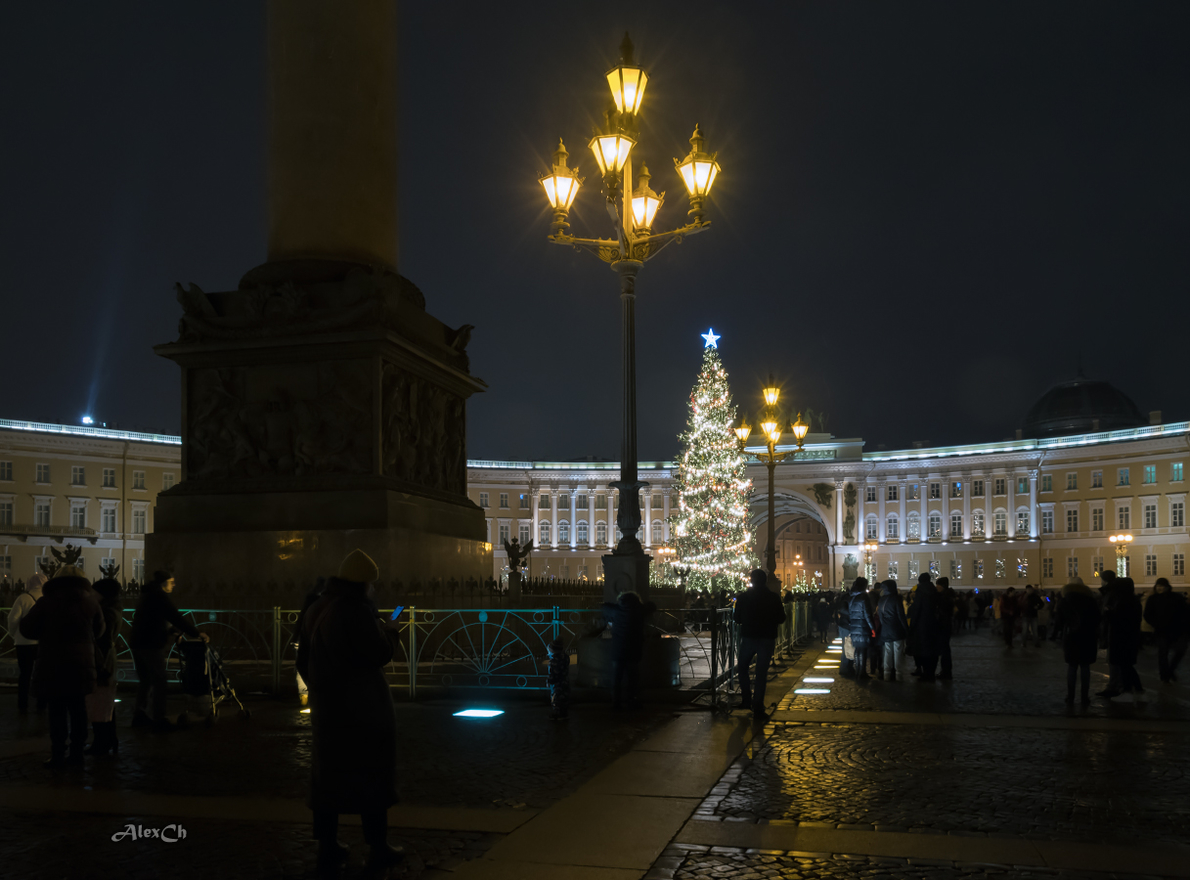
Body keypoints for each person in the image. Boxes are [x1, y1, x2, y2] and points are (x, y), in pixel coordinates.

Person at [298, 549, 404, 872]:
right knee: (372, 776)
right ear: (363, 584)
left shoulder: (318, 606)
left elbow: (302, 660)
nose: (373, 589)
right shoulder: (355, 611)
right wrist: (390, 629)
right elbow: (378, 653)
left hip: (327, 710)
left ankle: (327, 845)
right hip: (362, 711)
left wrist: (320, 691)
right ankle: (378, 846)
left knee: (327, 780)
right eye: (371, 583)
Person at [17, 565, 105, 768]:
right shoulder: (91, 603)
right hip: (82, 663)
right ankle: (77, 753)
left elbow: (27, 629)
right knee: (78, 707)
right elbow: (99, 631)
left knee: (56, 708)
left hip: (53, 661)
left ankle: (58, 752)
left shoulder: (46, 602)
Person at [128, 570, 207, 730]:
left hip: (138, 642)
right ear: (163, 583)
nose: (174, 585)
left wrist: (172, 631)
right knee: (160, 680)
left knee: (146, 680)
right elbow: (174, 616)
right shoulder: (159, 596)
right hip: (150, 644)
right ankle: (159, 718)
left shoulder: (148, 595)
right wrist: (196, 633)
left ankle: (140, 715)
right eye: (171, 582)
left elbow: (156, 618)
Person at [734, 569, 787, 718]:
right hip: (767, 637)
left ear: (751, 580)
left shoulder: (743, 598)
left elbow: (736, 618)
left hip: (749, 636)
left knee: (742, 667)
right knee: (761, 673)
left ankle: (746, 699)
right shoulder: (773, 597)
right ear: (765, 581)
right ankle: (758, 706)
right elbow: (781, 618)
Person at [85, 578, 124, 757]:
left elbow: (104, 641)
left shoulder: (106, 613)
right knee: (105, 704)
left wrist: (99, 664)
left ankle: (102, 742)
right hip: (106, 662)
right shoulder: (112, 610)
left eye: (94, 592)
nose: (91, 595)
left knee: (100, 704)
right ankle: (108, 740)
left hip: (103, 663)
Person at [602, 590, 654, 710]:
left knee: (616, 678)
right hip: (633, 649)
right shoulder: (640, 610)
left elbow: (604, 606)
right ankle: (632, 700)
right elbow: (652, 606)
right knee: (633, 678)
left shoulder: (615, 610)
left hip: (618, 649)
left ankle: (616, 703)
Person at [1055, 577, 1099, 704]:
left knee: (1072, 667)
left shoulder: (1064, 601)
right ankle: (1085, 697)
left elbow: (1059, 621)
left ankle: (1070, 697)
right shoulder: (1091, 600)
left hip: (1071, 636)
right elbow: (1097, 618)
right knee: (1085, 667)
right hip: (1088, 636)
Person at [8, 572, 47, 714]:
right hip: (43, 643)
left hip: (23, 642)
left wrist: (15, 634)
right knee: (42, 673)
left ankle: (22, 703)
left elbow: (12, 620)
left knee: (24, 674)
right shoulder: (48, 598)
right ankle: (41, 703)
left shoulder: (23, 598)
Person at [1100, 576, 1144, 698]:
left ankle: (1128, 691)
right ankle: (1137, 690)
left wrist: (1108, 612)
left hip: (1121, 638)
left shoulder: (1124, 601)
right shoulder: (1133, 600)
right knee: (1127, 665)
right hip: (1130, 637)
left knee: (1125, 665)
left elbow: (1119, 620)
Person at [1144, 578, 1187, 683]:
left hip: (1176, 630)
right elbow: (1147, 614)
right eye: (1158, 585)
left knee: (1180, 651)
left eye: (1162, 586)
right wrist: (1156, 624)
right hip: (1161, 631)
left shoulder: (1177, 597)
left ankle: (1170, 670)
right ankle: (1164, 675)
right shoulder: (1152, 599)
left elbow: (1185, 612)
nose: (1159, 588)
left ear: (1167, 587)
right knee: (1163, 654)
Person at [908, 574, 940, 681]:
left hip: (921, 625)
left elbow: (917, 609)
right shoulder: (934, 590)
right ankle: (931, 673)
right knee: (932, 649)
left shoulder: (920, 591)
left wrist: (912, 624)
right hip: (933, 624)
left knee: (922, 650)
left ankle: (926, 674)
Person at [877, 580, 909, 682]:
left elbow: (880, 617)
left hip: (885, 629)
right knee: (898, 651)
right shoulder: (896, 599)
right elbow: (901, 616)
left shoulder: (881, 600)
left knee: (887, 652)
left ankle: (887, 673)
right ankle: (898, 674)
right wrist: (906, 629)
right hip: (896, 629)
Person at [846, 578, 874, 680]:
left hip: (854, 627)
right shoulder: (863, 597)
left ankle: (858, 672)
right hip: (863, 628)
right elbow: (867, 615)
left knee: (858, 650)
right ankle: (862, 673)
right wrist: (872, 628)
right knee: (863, 651)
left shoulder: (852, 598)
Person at [935, 577, 955, 680]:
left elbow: (943, 613)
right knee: (945, 649)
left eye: (938, 585)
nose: (936, 587)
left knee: (944, 650)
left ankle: (946, 672)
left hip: (943, 626)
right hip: (946, 625)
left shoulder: (944, 597)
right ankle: (946, 671)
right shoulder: (948, 596)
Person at [546, 639, 570, 720]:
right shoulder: (565, 658)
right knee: (564, 698)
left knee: (556, 698)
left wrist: (549, 681)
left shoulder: (554, 661)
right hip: (565, 681)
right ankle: (564, 713)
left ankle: (558, 713)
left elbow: (553, 673)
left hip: (557, 683)